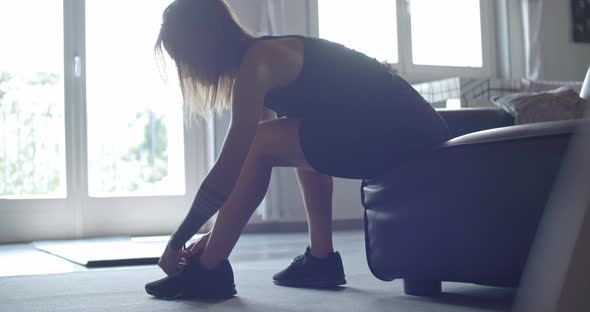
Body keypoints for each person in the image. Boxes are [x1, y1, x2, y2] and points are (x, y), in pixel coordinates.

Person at [145, 0, 450, 300]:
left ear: (202, 45)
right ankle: (321, 261)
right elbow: (246, 176)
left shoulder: (260, 62)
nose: (186, 73)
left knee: (262, 140)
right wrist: (209, 238)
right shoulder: (260, 60)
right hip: (407, 131)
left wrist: (178, 240)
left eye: (183, 60)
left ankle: (208, 271)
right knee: (289, 136)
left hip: (406, 133)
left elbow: (231, 165)